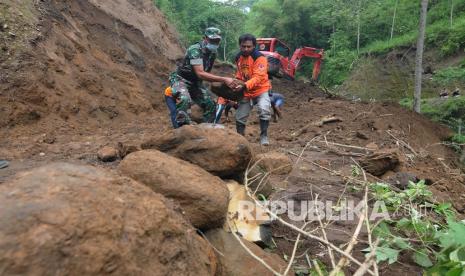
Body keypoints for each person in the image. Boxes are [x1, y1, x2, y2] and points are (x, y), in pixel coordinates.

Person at [167, 27, 237, 127]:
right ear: (205, 38)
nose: (215, 43)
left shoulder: (212, 53)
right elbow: (200, 73)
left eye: (217, 41)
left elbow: (206, 73)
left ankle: (206, 129)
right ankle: (182, 128)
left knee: (211, 105)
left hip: (195, 83)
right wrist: (224, 79)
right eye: (212, 40)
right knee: (184, 99)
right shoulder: (195, 50)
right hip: (181, 80)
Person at [232, 34, 272, 145]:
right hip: (246, 90)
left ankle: (264, 136)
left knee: (264, 109)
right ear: (240, 46)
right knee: (240, 116)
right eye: (243, 46)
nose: (246, 49)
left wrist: (244, 85)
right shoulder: (238, 57)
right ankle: (240, 139)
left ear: (254, 46)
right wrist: (236, 83)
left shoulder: (260, 58)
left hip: (261, 89)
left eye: (249, 47)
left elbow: (258, 77)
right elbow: (240, 74)